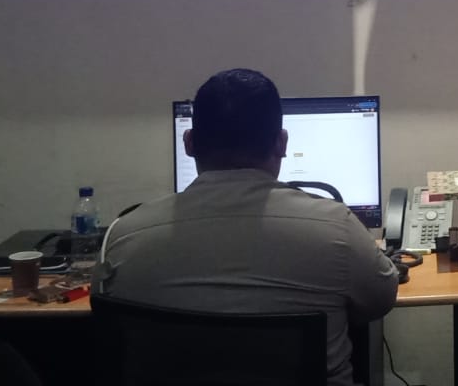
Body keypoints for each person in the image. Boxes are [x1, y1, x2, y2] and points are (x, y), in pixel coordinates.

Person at [95, 68, 397, 386]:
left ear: (189, 142)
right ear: (281, 143)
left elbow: (103, 310)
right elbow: (380, 300)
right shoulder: (338, 229)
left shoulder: (122, 237)